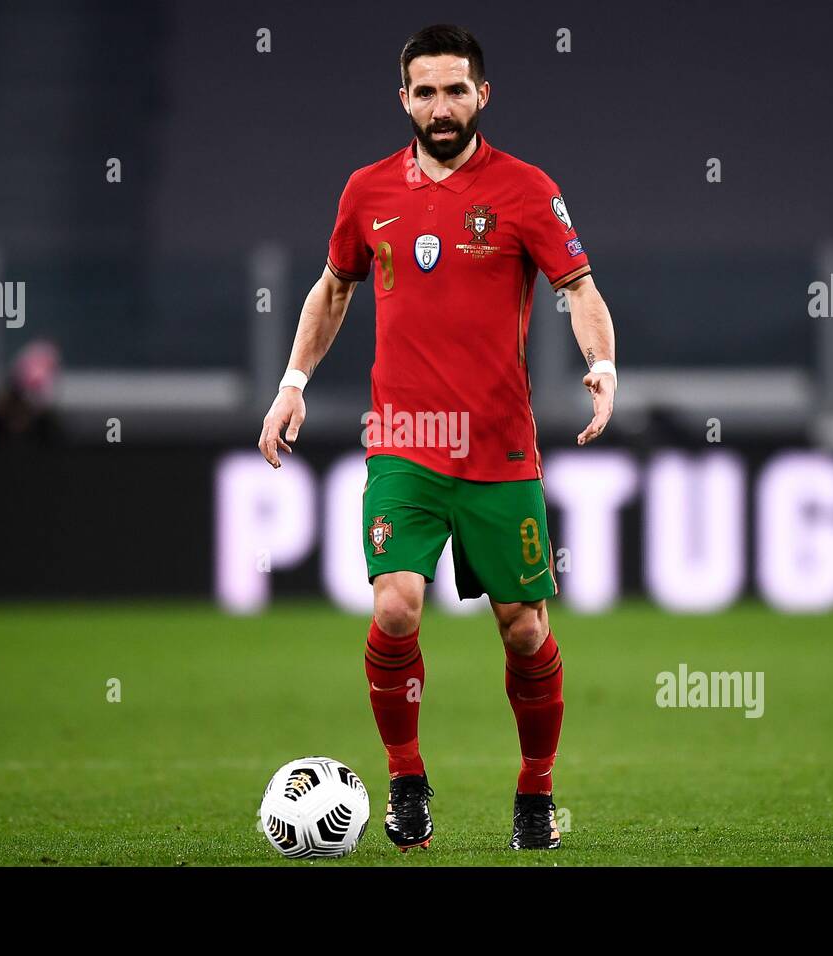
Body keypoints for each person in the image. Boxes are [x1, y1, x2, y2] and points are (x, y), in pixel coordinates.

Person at [257, 24, 617, 851]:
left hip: (499, 449)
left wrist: (601, 361)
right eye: (426, 91)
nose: (442, 106)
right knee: (394, 609)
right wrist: (292, 384)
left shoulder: (526, 190)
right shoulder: (367, 191)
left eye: (457, 90)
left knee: (525, 629)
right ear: (404, 100)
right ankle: (406, 779)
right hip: (405, 440)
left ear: (482, 95)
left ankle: (535, 792)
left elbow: (580, 287)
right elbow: (332, 290)